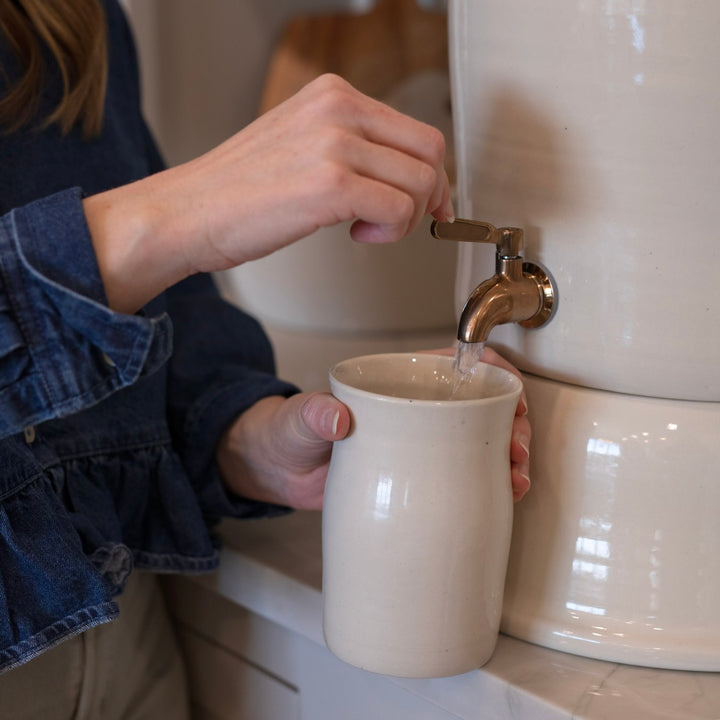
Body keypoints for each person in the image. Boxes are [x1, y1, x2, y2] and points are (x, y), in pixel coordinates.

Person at [0, 0, 531, 717]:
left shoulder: (66, 16)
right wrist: (175, 213)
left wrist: (246, 439)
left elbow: (149, 340)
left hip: (128, 643)